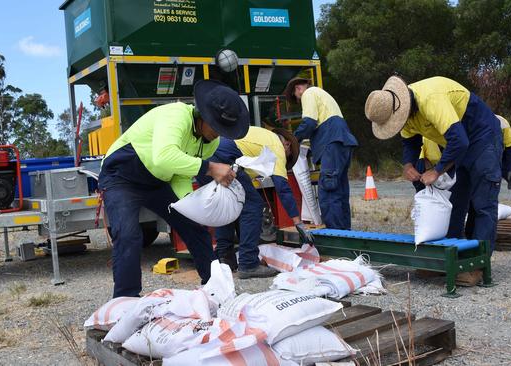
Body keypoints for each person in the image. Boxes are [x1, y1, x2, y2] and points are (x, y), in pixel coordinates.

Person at [98, 80, 249, 297]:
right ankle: (124, 301)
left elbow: (180, 172)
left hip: (158, 179)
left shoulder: (210, 143)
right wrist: (210, 167)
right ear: (202, 115)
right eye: (216, 127)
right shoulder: (176, 116)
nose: (218, 134)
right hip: (121, 176)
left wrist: (190, 203)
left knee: (193, 226)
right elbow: (163, 157)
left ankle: (215, 288)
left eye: (223, 130)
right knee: (129, 234)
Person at [365, 76, 503, 255]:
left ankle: (479, 262)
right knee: (456, 201)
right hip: (461, 142)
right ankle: (450, 256)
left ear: (403, 108)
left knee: (483, 201)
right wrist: (408, 165)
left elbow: (459, 140)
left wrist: (437, 171)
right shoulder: (404, 112)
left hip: (482, 136)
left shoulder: (431, 100)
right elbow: (410, 143)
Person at [199, 126, 310, 278]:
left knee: (227, 203)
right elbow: (283, 188)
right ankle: (248, 263)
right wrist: (298, 223)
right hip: (223, 158)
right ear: (287, 145)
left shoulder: (259, 138)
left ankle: (225, 259)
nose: (285, 160)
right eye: (288, 157)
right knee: (254, 205)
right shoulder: (276, 146)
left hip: (205, 158)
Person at [415, 116, 511, 219]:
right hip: (463, 158)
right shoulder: (440, 132)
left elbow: (510, 151)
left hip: (504, 155)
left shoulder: (501, 122)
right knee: (463, 191)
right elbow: (424, 160)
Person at [284, 78, 358, 230]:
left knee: (329, 192)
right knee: (340, 191)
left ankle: (336, 238)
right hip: (341, 142)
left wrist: (292, 140)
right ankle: (346, 235)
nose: (299, 99)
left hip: (332, 142)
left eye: (297, 97)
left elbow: (309, 123)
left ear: (298, 89)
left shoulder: (309, 93)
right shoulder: (322, 94)